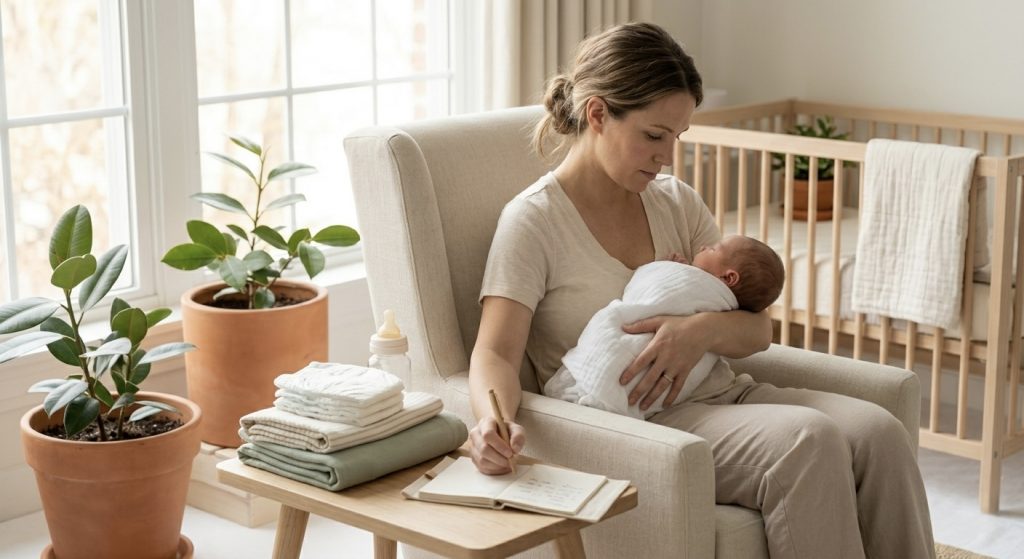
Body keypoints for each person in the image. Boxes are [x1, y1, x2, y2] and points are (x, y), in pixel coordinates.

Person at [467, 21, 935, 559]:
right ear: (597, 114)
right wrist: (492, 422)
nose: (667, 155)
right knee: (807, 441)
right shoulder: (534, 222)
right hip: (636, 419)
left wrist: (698, 333)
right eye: (654, 135)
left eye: (677, 137)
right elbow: (494, 353)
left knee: (879, 431)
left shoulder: (676, 201)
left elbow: (757, 329)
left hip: (721, 392)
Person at [544, 234, 785, 419]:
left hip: (707, 394)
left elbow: (762, 331)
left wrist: (669, 274)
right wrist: (675, 272)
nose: (703, 247)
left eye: (712, 248)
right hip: (676, 413)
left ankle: (600, 391)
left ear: (729, 278)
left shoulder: (715, 293)